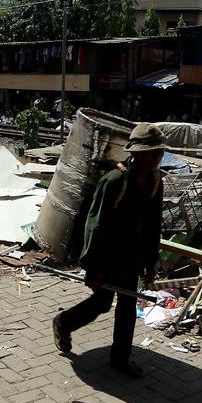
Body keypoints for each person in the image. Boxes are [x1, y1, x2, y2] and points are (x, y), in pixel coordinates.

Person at [52, 123, 166, 378]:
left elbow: (153, 225)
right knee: (102, 302)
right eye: (151, 151)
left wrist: (150, 264)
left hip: (132, 258)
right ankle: (64, 322)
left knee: (127, 306)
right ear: (136, 153)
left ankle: (120, 359)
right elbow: (95, 225)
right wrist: (92, 267)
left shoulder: (156, 182)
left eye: (158, 151)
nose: (157, 156)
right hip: (108, 256)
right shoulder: (115, 181)